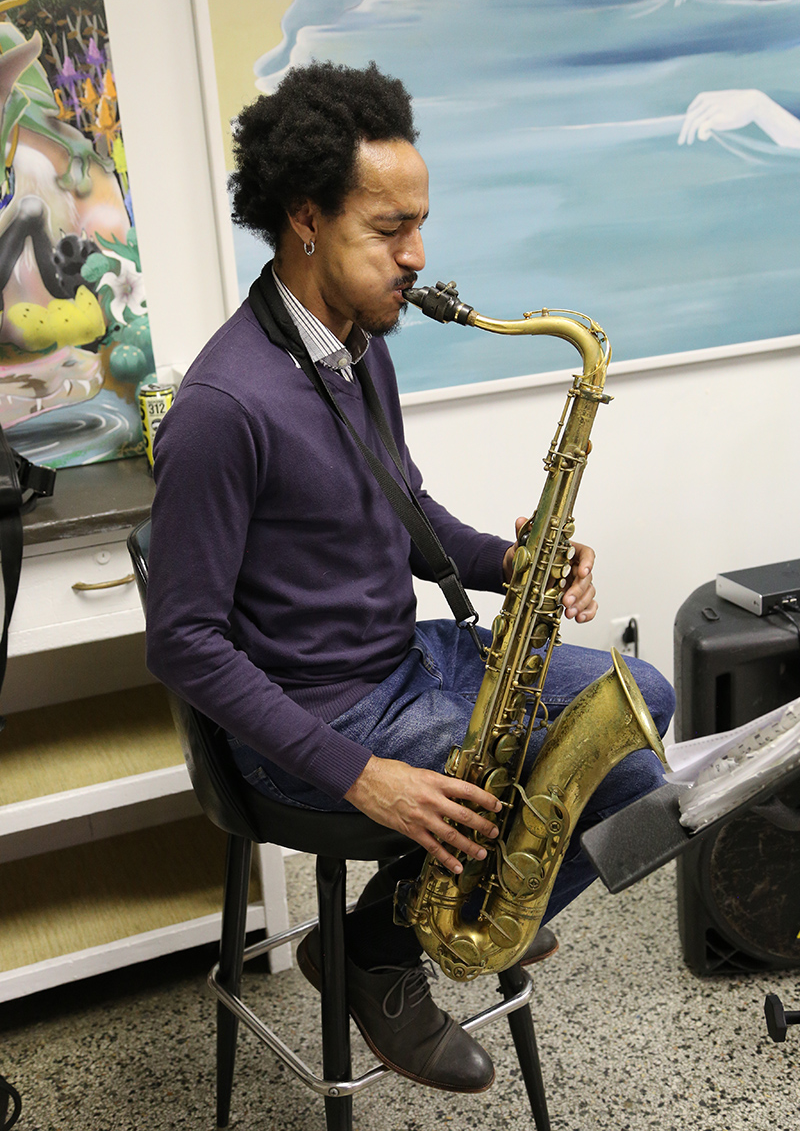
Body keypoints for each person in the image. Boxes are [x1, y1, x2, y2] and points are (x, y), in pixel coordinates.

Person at [146, 61, 674, 1095]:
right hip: (316, 721)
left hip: (403, 656)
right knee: (551, 782)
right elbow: (183, 642)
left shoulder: (356, 344)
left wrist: (513, 565)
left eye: (418, 224)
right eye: (387, 229)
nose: (416, 257)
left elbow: (403, 512)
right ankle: (380, 951)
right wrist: (360, 776)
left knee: (641, 713)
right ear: (305, 219)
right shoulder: (223, 406)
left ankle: (406, 928)